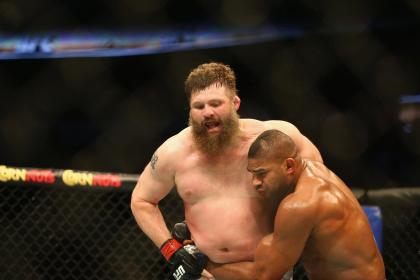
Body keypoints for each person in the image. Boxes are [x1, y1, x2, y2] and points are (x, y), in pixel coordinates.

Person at [130, 62, 323, 279]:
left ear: (235, 103)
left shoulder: (277, 138)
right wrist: (173, 252)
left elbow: (319, 185)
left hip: (273, 270)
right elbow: (141, 201)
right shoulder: (173, 152)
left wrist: (301, 240)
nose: (207, 113)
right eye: (199, 106)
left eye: (215, 103)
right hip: (208, 273)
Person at [207, 129, 385, 280]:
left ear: (289, 166)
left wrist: (205, 265)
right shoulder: (316, 171)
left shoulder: (302, 204)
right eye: (252, 174)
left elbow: (263, 276)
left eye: (262, 174)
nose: (255, 182)